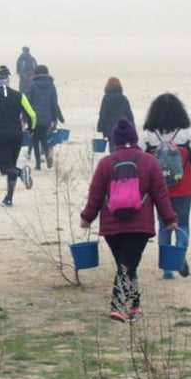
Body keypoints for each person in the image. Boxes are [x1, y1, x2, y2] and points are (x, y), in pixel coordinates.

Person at [79, 119, 178, 322]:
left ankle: (133, 306)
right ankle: (118, 307)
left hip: (112, 226)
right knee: (127, 266)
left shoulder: (105, 163)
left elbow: (95, 195)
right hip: (139, 226)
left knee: (125, 265)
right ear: (134, 139)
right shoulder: (150, 162)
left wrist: (87, 217)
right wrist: (170, 219)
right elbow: (161, 194)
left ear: (115, 141)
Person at [140, 93, 191, 279]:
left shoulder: (149, 136)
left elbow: (139, 162)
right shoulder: (187, 135)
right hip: (183, 188)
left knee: (164, 225)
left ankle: (167, 267)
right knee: (182, 223)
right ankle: (179, 257)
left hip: (158, 190)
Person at [0, 65, 36, 207]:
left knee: (5, 167)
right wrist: (31, 128)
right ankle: (9, 198)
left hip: (0, 135)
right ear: (8, 79)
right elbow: (32, 115)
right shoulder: (19, 95)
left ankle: (22, 173)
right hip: (17, 134)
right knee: (11, 165)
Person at [25, 64, 65, 170]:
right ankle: (47, 155)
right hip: (47, 117)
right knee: (44, 137)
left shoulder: (32, 85)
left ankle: (38, 164)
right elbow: (54, 102)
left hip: (34, 117)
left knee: (35, 139)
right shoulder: (51, 85)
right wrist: (55, 118)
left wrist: (24, 118)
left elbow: (27, 102)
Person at [96, 77, 134, 151]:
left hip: (110, 128)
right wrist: (132, 127)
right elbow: (130, 115)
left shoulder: (106, 98)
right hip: (123, 127)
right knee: (122, 148)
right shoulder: (123, 98)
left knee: (113, 149)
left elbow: (103, 114)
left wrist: (100, 128)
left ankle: (115, 161)